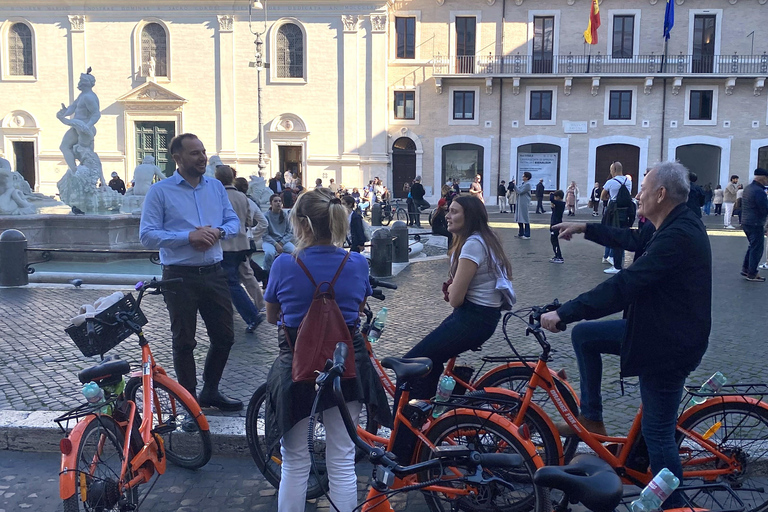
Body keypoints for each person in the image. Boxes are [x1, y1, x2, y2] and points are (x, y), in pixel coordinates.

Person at [542, 161, 711, 509]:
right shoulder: (667, 224)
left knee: (659, 434)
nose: (638, 195)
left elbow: (625, 286)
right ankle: (591, 417)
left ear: (661, 195)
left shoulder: (680, 236)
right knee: (586, 337)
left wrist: (565, 313)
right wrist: (586, 228)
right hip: (652, 330)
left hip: (668, 345)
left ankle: (676, 505)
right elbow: (630, 237)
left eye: (644, 190)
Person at [263, 188, 391, 512]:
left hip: (296, 369)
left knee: (293, 463)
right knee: (343, 460)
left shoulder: (283, 264)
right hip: (345, 368)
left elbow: (271, 316)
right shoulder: (357, 263)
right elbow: (359, 308)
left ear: (302, 224)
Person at [139, 133, 243, 411]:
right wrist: (188, 237)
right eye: (195, 153)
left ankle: (210, 391)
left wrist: (219, 231)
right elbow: (147, 236)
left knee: (225, 337)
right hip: (178, 276)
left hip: (214, 271)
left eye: (203, 151)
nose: (202, 157)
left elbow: (233, 221)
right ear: (177, 158)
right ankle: (189, 403)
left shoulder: (216, 188)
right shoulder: (159, 191)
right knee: (184, 341)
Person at [402, 195, 512, 401]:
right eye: (448, 211)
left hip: (472, 318)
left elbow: (456, 299)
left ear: (469, 216)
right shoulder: (486, 239)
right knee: (430, 361)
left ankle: (409, 429)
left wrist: (452, 288)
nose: (447, 216)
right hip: (480, 317)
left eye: (454, 212)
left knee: (412, 364)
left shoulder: (473, 245)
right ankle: (431, 418)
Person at [215, 165, 265, 333]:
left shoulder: (218, 196)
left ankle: (251, 314)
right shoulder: (243, 197)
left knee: (231, 282)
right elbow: (250, 221)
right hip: (242, 245)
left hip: (225, 245)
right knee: (240, 277)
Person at [234, 176, 267, 309]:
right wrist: (253, 234)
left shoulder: (231, 200)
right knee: (244, 272)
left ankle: (257, 305)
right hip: (247, 241)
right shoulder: (250, 202)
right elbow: (264, 223)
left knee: (245, 273)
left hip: (233, 242)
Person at [58, 72, 101, 174]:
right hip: (78, 126)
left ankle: (75, 171)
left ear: (85, 83)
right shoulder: (82, 95)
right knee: (68, 148)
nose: (79, 83)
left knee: (76, 151)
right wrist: (65, 112)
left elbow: (96, 114)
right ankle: (76, 171)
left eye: (81, 81)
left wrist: (87, 126)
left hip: (83, 127)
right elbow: (73, 106)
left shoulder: (88, 97)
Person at [601, 162, 632, 274]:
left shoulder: (610, 182)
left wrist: (610, 195)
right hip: (625, 211)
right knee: (621, 234)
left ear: (613, 169)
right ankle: (617, 259)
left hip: (614, 212)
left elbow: (602, 196)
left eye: (611, 169)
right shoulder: (628, 181)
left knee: (612, 234)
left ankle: (615, 263)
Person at [739, 168, 768, 282]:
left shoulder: (748, 188)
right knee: (757, 248)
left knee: (752, 246)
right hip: (755, 222)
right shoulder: (759, 191)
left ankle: (746, 269)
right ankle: (752, 273)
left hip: (747, 221)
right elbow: (763, 208)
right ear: (762, 178)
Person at [262, 194, 295, 270]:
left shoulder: (285, 215)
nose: (278, 203)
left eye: (280, 201)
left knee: (295, 252)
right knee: (269, 254)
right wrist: (276, 244)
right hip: (269, 242)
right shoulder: (265, 216)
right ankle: (267, 273)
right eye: (275, 201)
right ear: (271, 203)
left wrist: (282, 242)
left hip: (283, 241)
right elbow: (265, 234)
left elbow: (290, 232)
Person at [550, 190, 565, 263]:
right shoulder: (559, 204)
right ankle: (556, 255)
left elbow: (551, 199)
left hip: (556, 225)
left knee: (554, 240)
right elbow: (555, 212)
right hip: (554, 223)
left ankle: (559, 256)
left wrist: (551, 194)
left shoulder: (561, 203)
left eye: (556, 197)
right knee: (554, 240)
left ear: (558, 197)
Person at [515, 172, 533, 238]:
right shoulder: (523, 184)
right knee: (519, 217)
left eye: (523, 176)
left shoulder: (527, 184)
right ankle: (521, 233)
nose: (522, 177)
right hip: (520, 202)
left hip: (524, 203)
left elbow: (520, 191)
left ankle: (527, 234)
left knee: (525, 217)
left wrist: (514, 186)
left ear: (527, 177)